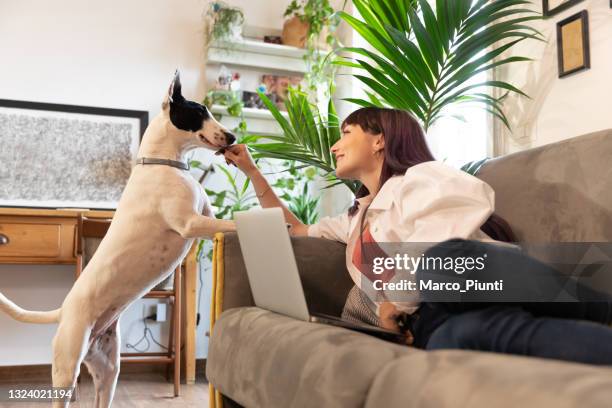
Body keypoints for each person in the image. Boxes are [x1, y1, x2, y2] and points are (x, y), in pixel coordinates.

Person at [222, 107, 612, 365]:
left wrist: (396, 300)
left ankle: (600, 306)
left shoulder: (421, 177)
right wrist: (253, 173)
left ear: (380, 140)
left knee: (440, 267)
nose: (334, 145)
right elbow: (295, 229)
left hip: (468, 276)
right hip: (430, 317)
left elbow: (446, 242)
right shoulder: (354, 220)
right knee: (456, 340)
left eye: (346, 132)